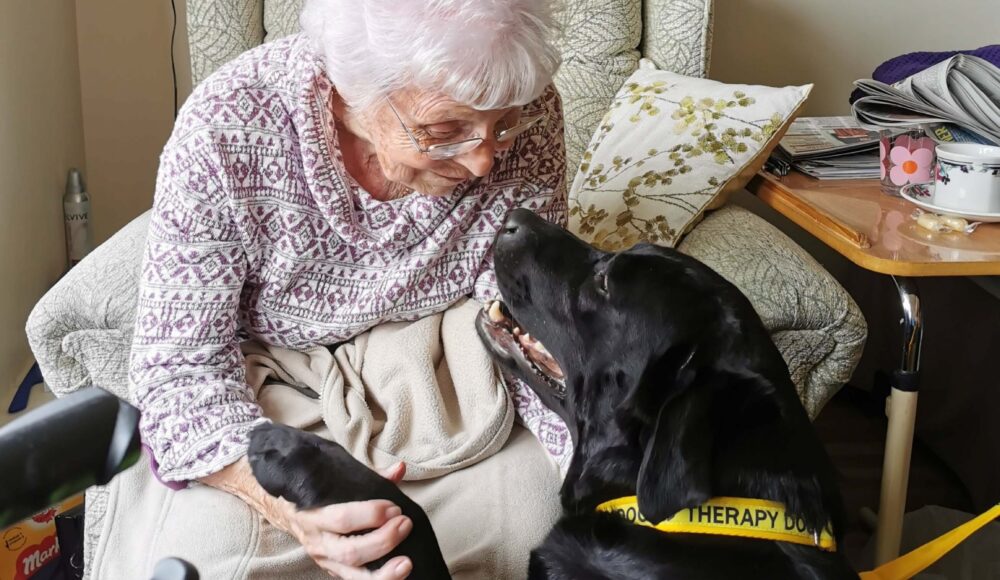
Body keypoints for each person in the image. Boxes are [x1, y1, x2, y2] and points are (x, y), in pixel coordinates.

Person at [127, 0, 566, 578]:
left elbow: (529, 315)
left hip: (452, 378)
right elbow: (178, 371)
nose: (485, 161)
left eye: (503, 125)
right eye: (445, 131)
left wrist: (591, 462)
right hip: (272, 394)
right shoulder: (227, 125)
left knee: (539, 529)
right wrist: (287, 509)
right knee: (216, 561)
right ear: (356, 89)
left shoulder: (522, 104)